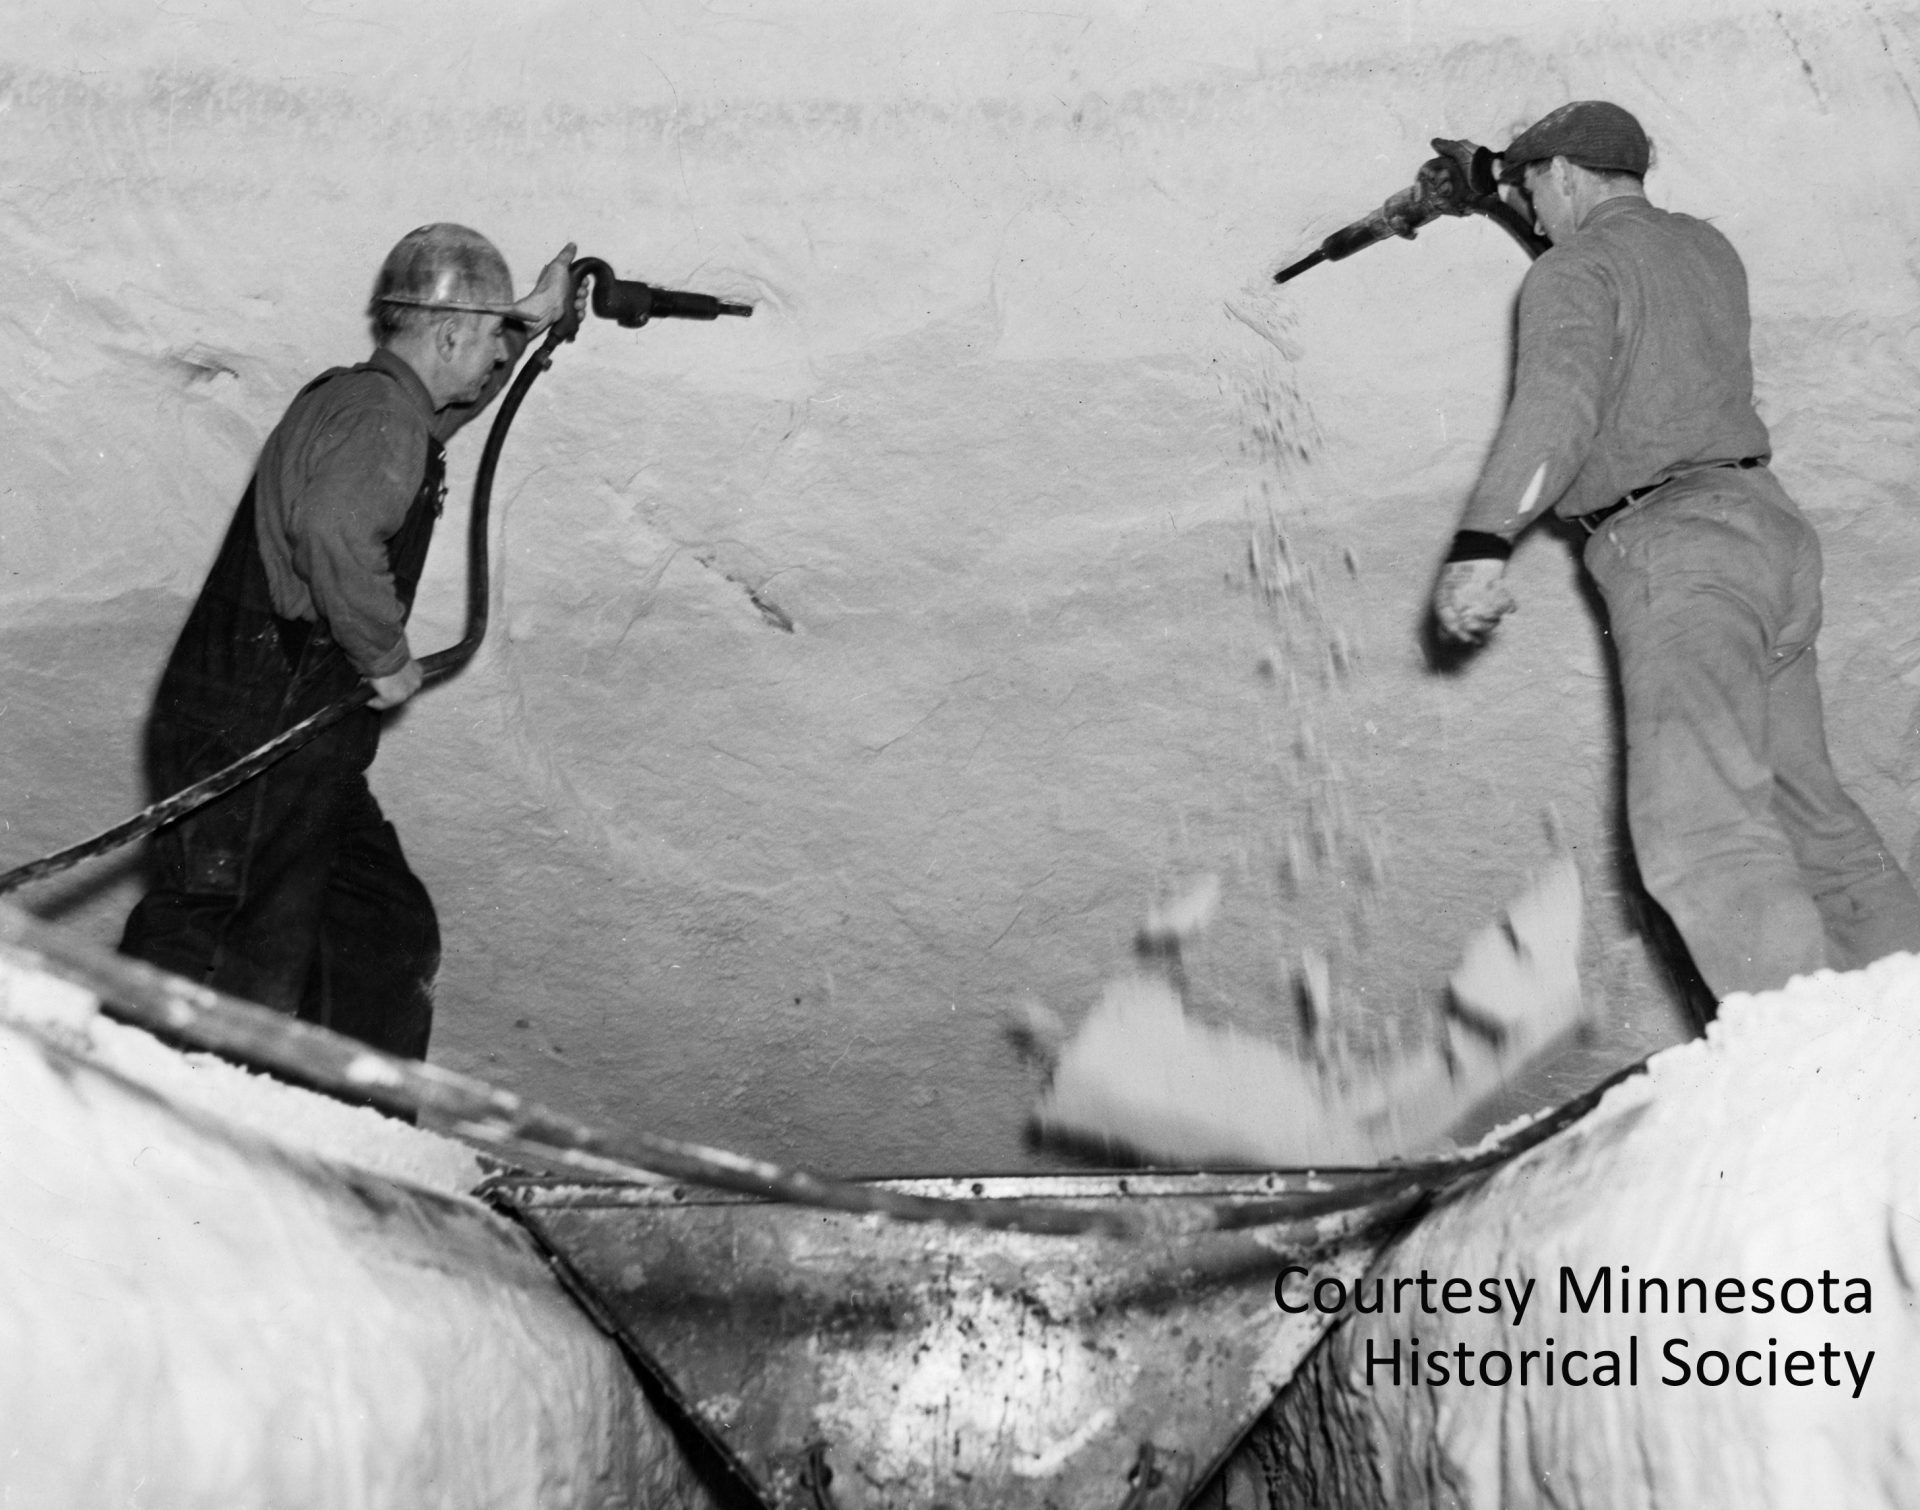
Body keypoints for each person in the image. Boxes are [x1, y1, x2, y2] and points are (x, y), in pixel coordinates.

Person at [1430, 100, 1920, 1001]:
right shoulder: (1704, 250)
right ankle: (1899, 1030)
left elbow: (1561, 400)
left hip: (1677, 552)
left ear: (1568, 177)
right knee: (1810, 820)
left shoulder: (1574, 271)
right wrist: (1504, 182)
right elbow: (1621, 293)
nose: (1534, 215)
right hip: (1768, 542)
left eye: (1537, 192)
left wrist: (1482, 539)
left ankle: (1790, 1061)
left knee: (1699, 832)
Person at [120, 224, 577, 1059]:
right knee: (225, 950)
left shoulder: (377, 405)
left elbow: (454, 402)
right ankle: (144, 1141)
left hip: (292, 731)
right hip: (260, 725)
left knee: (381, 930)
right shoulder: (381, 421)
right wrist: (386, 659)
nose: (487, 363)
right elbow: (334, 528)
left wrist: (524, 323)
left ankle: (350, 1128)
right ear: (445, 333)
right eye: (482, 340)